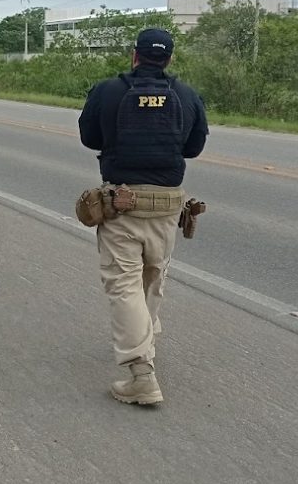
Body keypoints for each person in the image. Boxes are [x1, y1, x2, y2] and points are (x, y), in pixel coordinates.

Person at [77, 27, 208, 406]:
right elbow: (194, 147)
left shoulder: (108, 90)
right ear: (168, 59)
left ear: (134, 55)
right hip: (168, 206)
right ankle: (146, 347)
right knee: (153, 278)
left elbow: (89, 138)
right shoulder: (186, 95)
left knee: (124, 284)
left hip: (122, 204)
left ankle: (141, 374)